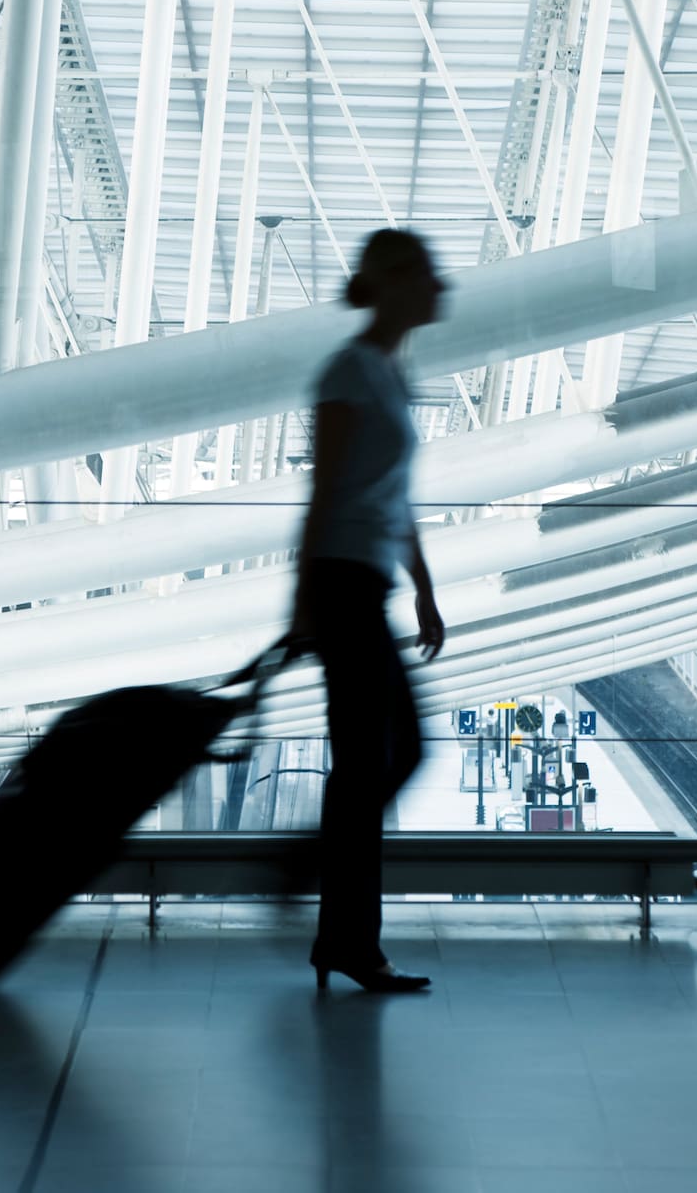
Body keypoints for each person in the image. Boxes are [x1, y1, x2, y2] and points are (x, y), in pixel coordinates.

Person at [288, 228, 447, 994]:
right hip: (343, 585)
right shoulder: (348, 372)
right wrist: (303, 603)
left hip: (369, 583)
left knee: (383, 758)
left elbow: (396, 496)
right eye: (425, 274)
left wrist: (424, 585)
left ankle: (334, 921)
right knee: (379, 759)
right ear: (390, 284)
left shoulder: (390, 373)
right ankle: (348, 936)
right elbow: (324, 492)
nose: (439, 286)